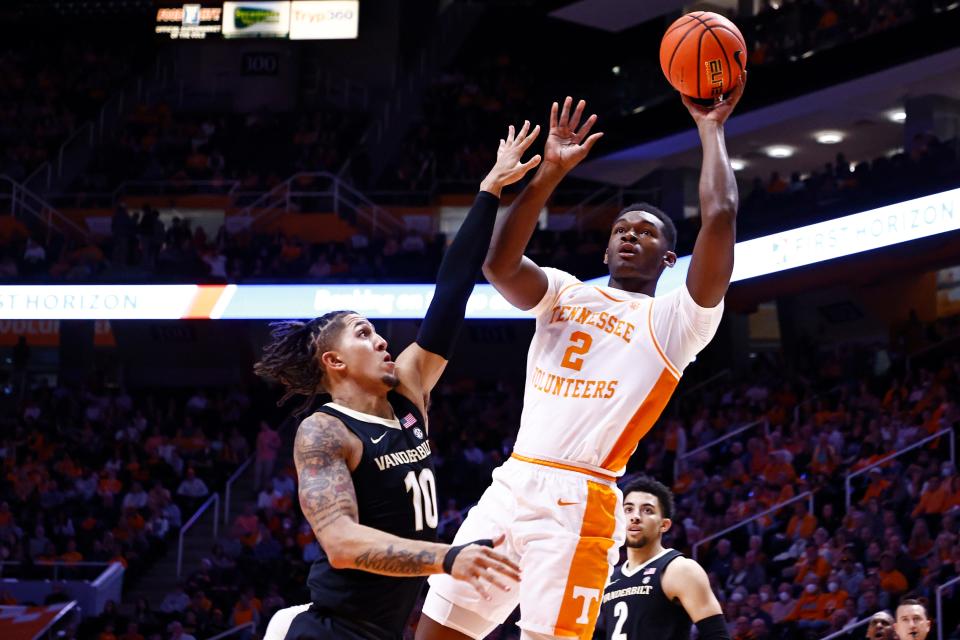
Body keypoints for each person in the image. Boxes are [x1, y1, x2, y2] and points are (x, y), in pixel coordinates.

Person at [420, 78, 746, 640]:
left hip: (580, 501)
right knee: (435, 632)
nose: (627, 236)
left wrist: (710, 127)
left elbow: (719, 216)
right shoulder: (565, 290)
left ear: (668, 258)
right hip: (512, 481)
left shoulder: (676, 322)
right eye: (620, 229)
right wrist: (550, 169)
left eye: (644, 234)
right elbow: (498, 265)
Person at [259, 121, 543, 640]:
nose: (384, 341)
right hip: (333, 629)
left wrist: (489, 191)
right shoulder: (325, 432)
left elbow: (452, 292)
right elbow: (342, 543)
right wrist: (447, 558)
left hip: (384, 628)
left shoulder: (408, 392)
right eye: (364, 334)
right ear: (334, 363)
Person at [590, 477, 727, 640]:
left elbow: (718, 636)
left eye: (647, 510)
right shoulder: (611, 577)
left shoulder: (680, 569)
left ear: (664, 525)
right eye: (628, 509)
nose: (635, 517)